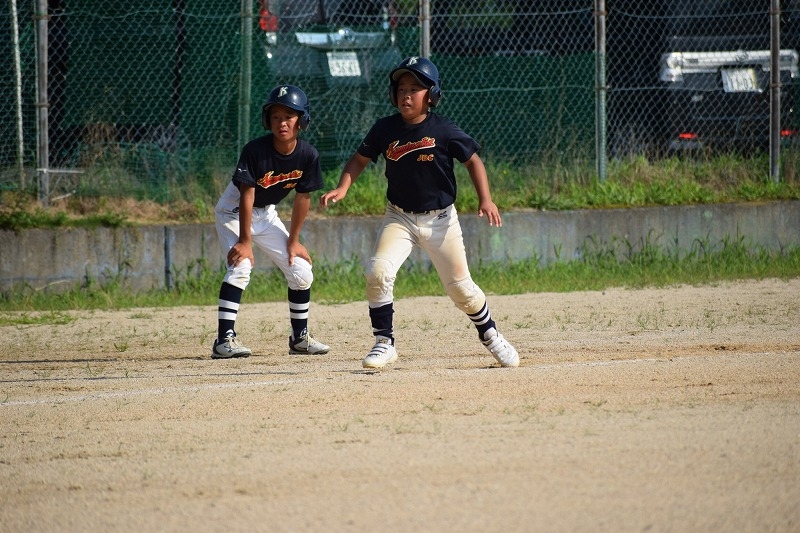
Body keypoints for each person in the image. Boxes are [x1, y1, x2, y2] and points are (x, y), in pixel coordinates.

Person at [319, 56, 519, 369]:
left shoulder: (443, 129)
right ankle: (384, 343)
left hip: (441, 221)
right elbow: (359, 159)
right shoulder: (385, 128)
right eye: (401, 89)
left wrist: (486, 199)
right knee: (378, 272)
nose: (406, 95)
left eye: (415, 89)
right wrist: (343, 187)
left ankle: (491, 335)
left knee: (462, 291)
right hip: (399, 217)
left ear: (432, 95)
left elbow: (473, 161)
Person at [211, 84, 330, 359]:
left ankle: (299, 338)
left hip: (266, 215)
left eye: (289, 116)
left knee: (301, 271)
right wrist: (245, 241)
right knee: (241, 266)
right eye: (275, 116)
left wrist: (294, 241)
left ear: (302, 120)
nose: (282, 123)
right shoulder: (256, 150)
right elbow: (247, 195)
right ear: (268, 120)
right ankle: (223, 341)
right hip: (234, 212)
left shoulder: (308, 155)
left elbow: (303, 198)